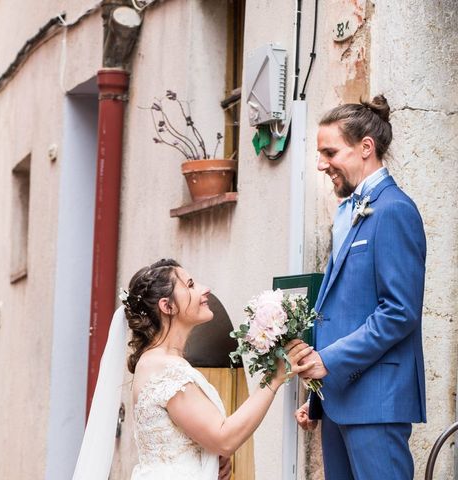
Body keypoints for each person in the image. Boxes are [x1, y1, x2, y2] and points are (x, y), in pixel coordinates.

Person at [73, 258, 315, 480]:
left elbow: (200, 440)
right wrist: (274, 378)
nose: (204, 288)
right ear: (167, 306)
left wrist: (208, 462)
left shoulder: (160, 362)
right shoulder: (164, 369)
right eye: (190, 285)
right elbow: (224, 437)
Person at [294, 96, 427, 479]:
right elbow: (340, 307)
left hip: (376, 402)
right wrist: (316, 398)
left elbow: (399, 311)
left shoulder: (394, 209)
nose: (321, 164)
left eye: (330, 152)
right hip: (338, 397)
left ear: (366, 148)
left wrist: (328, 361)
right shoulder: (347, 211)